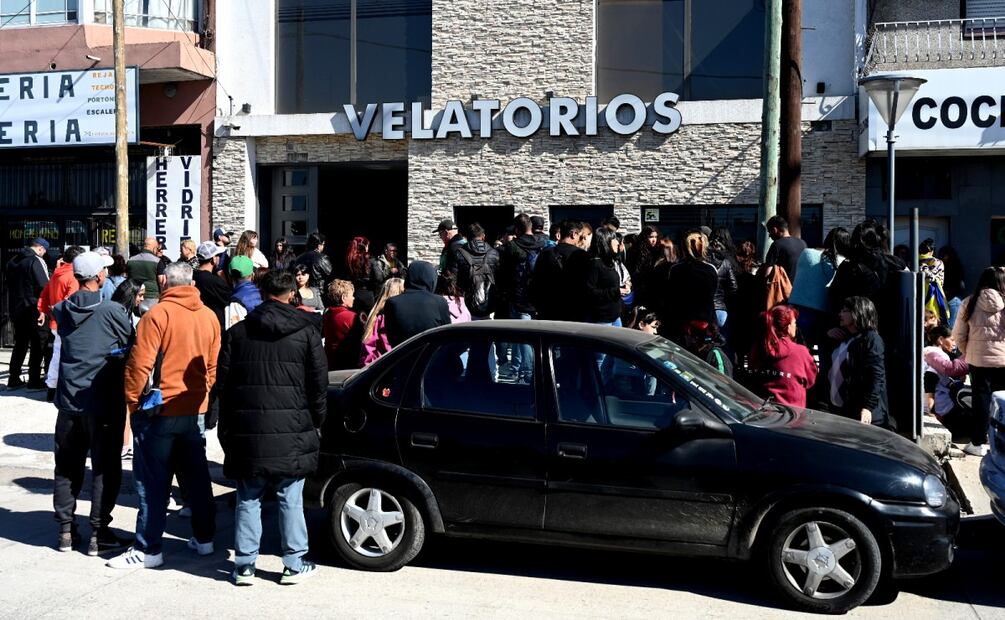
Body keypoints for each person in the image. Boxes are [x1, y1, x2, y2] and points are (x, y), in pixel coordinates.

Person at [213, 270, 326, 585]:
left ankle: (245, 564)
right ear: (292, 294)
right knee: (290, 495)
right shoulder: (306, 332)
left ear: (262, 293)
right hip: (293, 424)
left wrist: (226, 426)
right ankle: (293, 562)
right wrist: (317, 421)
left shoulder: (238, 333)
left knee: (248, 495)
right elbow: (318, 385)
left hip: (248, 426)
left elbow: (224, 384)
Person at [110, 262, 220, 569]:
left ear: (165, 282)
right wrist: (203, 395)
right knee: (197, 477)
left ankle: (148, 548)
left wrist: (133, 405)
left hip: (161, 408)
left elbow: (138, 365)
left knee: (153, 482)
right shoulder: (209, 316)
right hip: (193, 406)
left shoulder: (157, 314)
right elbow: (212, 367)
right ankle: (204, 538)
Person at [51, 252, 133, 555]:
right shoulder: (111, 310)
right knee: (105, 468)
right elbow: (131, 344)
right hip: (101, 401)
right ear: (99, 277)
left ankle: (65, 530)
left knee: (67, 467)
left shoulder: (62, 309)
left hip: (69, 402)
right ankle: (99, 532)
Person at [951, 266, 1005, 457]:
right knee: (1002, 401)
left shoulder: (969, 302)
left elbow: (958, 334)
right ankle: (999, 441)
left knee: (981, 400)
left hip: (978, 361)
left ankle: (978, 442)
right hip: (1004, 360)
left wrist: (969, 352)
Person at [829, 296, 890, 428]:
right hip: (843, 409)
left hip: (863, 415)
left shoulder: (871, 340)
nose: (840, 314)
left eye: (845, 311)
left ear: (858, 313)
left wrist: (868, 407)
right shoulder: (845, 337)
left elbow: (877, 376)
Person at [788, 227, 851, 346]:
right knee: (823, 348)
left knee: (799, 348)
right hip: (823, 312)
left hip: (796, 308)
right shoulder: (841, 261)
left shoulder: (806, 253)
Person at [39, 246, 87, 400]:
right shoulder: (73, 276)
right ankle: (57, 388)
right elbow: (72, 300)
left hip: (56, 321)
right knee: (64, 356)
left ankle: (52, 388)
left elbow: (44, 294)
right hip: (67, 322)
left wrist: (44, 310)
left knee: (58, 355)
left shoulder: (56, 274)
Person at [748, 305, 818, 408]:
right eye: (794, 323)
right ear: (788, 327)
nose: (796, 326)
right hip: (791, 418)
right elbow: (810, 382)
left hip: (760, 416)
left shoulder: (758, 347)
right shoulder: (801, 352)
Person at [5, 237, 50, 390]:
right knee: (39, 343)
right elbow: (44, 286)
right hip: (34, 308)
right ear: (40, 249)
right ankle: (34, 380)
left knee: (20, 344)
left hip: (16, 309)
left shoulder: (13, 261)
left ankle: (13, 378)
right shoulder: (36, 261)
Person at [661, 231, 718, 344]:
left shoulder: (675, 269)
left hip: (681, 321)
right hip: (705, 320)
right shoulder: (711, 269)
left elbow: (671, 294)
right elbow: (713, 293)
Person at [383, 261, 451, 347]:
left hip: (403, 356)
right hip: (431, 356)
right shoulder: (440, 302)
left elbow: (392, 338)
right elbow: (446, 335)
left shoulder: (392, 303)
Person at [532, 220, 587, 321]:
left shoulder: (545, 253)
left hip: (548, 310)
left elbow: (536, 282)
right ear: (574, 234)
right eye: (581, 236)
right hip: (574, 311)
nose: (582, 239)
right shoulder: (582, 255)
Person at [497, 213, 548, 321]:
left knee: (519, 335)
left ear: (516, 230)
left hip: (518, 298)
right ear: (531, 226)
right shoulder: (543, 244)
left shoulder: (511, 246)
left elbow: (503, 272)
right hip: (539, 298)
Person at [923, 324, 970, 433]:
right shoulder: (941, 355)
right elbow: (930, 377)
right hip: (940, 409)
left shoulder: (925, 350)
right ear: (940, 340)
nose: (954, 344)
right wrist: (930, 408)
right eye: (952, 340)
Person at [581, 227, 626, 326]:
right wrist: (616, 291)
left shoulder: (608, 262)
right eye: (614, 239)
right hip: (602, 318)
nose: (618, 243)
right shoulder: (595, 263)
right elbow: (589, 292)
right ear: (606, 241)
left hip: (614, 315)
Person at [455, 223, 500, 320]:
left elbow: (454, 280)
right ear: (483, 237)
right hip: (489, 304)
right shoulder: (494, 253)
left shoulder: (459, 253)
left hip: (467, 305)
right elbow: (500, 280)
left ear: (466, 238)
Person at [361, 278, 405, 366]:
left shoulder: (377, 316)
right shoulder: (381, 317)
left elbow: (367, 347)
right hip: (386, 367)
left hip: (382, 367)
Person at [323, 280, 361, 370]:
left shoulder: (328, 313)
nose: (354, 298)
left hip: (330, 362)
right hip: (347, 365)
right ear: (344, 297)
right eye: (352, 295)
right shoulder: (350, 317)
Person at [192, 241, 232, 328]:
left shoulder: (191, 276)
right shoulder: (216, 282)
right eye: (218, 256)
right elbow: (229, 300)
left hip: (195, 323)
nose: (219, 258)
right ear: (213, 259)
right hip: (214, 325)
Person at [708, 228, 739, 330]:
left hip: (706, 310)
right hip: (722, 308)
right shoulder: (729, 260)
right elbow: (733, 287)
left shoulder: (703, 261)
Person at [764, 215, 807, 282]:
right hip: (801, 287)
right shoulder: (803, 243)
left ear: (775, 230)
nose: (769, 235)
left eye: (769, 232)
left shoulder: (777, 245)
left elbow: (767, 273)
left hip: (785, 289)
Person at [225, 256, 263, 329]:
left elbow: (233, 332)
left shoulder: (235, 301)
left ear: (230, 277)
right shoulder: (263, 293)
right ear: (253, 275)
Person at [127, 238, 162, 307]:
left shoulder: (131, 260)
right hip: (153, 297)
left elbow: (127, 278)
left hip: (135, 296)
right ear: (154, 248)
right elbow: (161, 281)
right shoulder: (158, 261)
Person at [345, 236, 376, 313]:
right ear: (365, 246)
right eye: (368, 246)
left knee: (355, 319)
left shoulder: (349, 259)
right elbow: (377, 277)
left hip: (354, 293)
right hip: (368, 293)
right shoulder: (370, 260)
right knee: (368, 321)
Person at [939, 245, 966, 328]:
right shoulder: (948, 266)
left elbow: (959, 283)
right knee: (950, 326)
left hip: (952, 298)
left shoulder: (953, 267)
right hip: (948, 298)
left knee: (951, 326)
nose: (943, 257)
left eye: (945, 255)